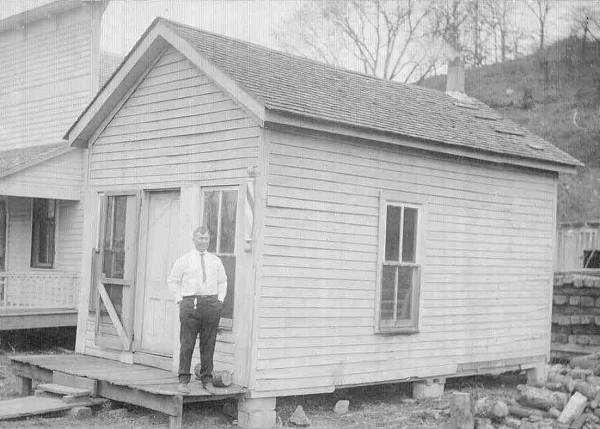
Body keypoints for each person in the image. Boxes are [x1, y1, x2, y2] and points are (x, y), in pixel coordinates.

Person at [167, 226, 227, 394]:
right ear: (194, 239)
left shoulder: (215, 261)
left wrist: (220, 300)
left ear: (209, 240)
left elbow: (223, 282)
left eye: (206, 238)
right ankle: (183, 380)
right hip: (190, 304)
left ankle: (207, 380)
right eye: (200, 238)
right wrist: (180, 299)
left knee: (208, 344)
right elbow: (173, 281)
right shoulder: (184, 260)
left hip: (211, 304)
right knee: (187, 343)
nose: (203, 241)